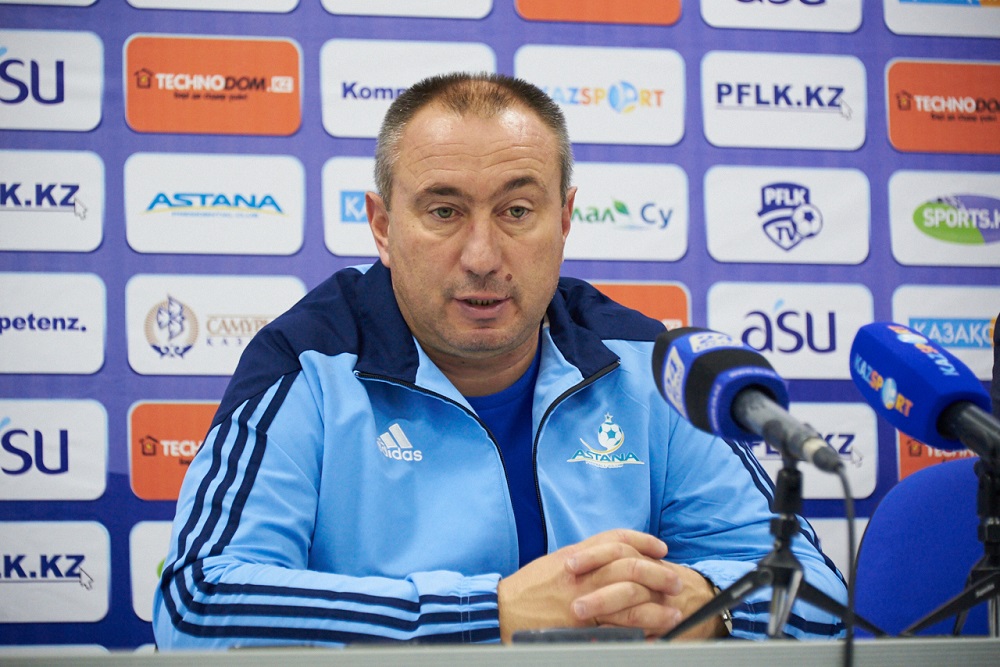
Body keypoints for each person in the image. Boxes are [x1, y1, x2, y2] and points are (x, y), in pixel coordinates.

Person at [153, 72, 847, 649]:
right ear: (383, 226)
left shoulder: (647, 365)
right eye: (444, 212)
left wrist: (706, 607)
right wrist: (492, 614)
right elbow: (197, 605)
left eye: (516, 211)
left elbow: (819, 597)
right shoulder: (306, 364)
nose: (482, 257)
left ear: (565, 219)